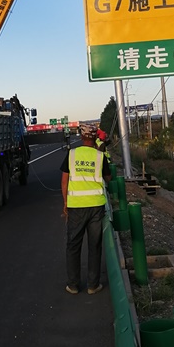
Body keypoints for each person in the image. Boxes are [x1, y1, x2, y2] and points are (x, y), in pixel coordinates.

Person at [60, 123, 111, 295]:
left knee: (73, 245)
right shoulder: (100, 156)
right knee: (94, 245)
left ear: (81, 137)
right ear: (95, 137)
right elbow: (108, 178)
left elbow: (64, 181)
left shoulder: (72, 154)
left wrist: (65, 203)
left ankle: (73, 285)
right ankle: (92, 285)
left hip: (76, 206)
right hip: (96, 206)